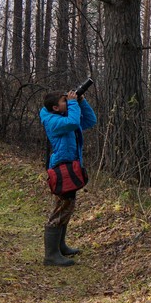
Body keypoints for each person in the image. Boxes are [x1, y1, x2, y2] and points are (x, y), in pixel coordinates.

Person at [39, 88, 97, 266]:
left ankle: (60, 247)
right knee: (60, 208)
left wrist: (80, 102)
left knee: (68, 207)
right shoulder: (54, 122)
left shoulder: (63, 116)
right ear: (56, 108)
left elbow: (90, 120)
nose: (68, 101)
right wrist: (72, 104)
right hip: (61, 168)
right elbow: (73, 123)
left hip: (71, 166)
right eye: (64, 101)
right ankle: (51, 255)